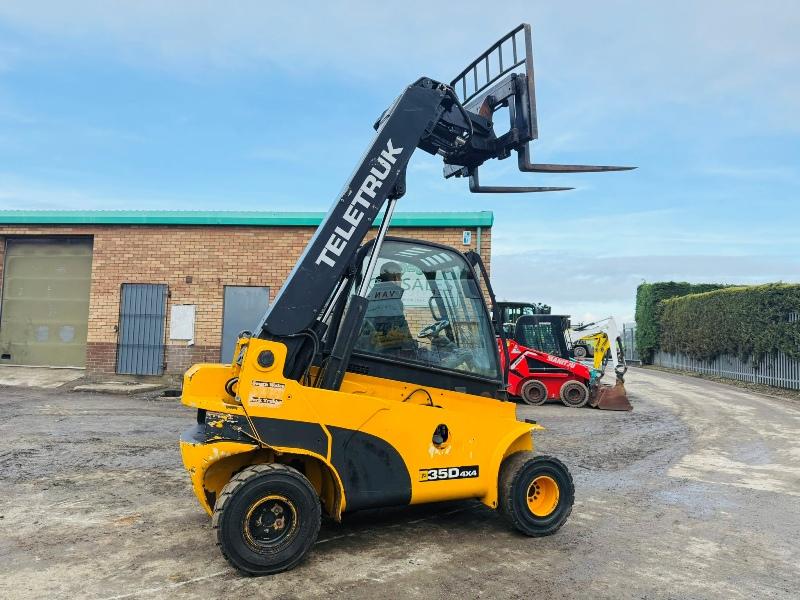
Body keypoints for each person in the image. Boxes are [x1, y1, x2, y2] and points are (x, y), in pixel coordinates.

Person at [360, 261, 413, 352]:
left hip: (371, 347)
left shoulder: (373, 295)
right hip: (383, 352)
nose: (401, 281)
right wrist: (412, 346)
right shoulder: (392, 299)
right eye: (400, 277)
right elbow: (401, 333)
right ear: (395, 278)